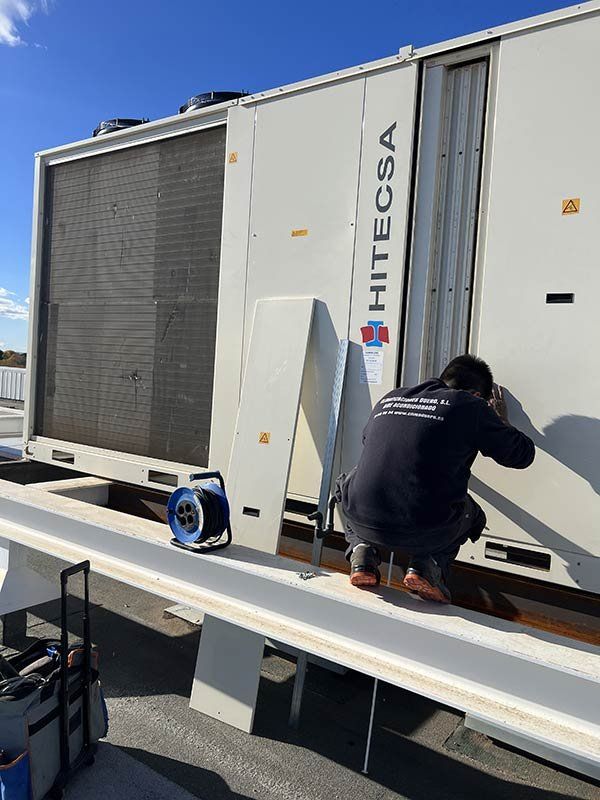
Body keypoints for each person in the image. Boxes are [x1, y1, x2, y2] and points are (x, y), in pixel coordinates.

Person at [337, 354, 535, 603]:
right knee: (471, 514)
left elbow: (369, 443)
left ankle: (361, 551)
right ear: (476, 395)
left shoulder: (392, 397)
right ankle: (427, 566)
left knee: (345, 483)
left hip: (363, 518)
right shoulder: (470, 406)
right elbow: (521, 455)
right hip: (424, 529)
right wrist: (499, 420)